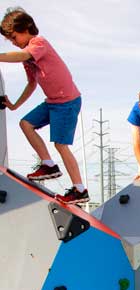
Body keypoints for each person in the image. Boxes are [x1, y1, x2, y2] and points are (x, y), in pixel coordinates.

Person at [0, 7, 89, 204]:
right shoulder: (28, 58)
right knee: (25, 123)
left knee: (60, 145)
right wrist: (14, 105)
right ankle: (48, 165)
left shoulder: (38, 43)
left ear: (26, 28)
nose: (14, 43)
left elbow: (21, 56)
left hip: (67, 102)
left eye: (14, 37)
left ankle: (80, 189)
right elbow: (31, 84)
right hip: (52, 102)